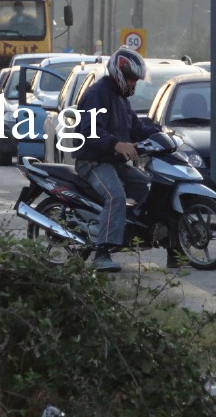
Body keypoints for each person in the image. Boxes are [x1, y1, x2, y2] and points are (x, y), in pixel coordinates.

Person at [73, 46, 162, 273]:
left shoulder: (122, 99)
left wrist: (162, 133)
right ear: (119, 74)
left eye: (136, 80)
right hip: (93, 161)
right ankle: (102, 252)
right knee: (115, 196)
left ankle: (130, 232)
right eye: (132, 78)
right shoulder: (97, 94)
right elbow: (89, 130)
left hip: (114, 162)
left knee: (146, 187)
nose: (134, 84)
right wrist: (116, 143)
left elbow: (137, 128)